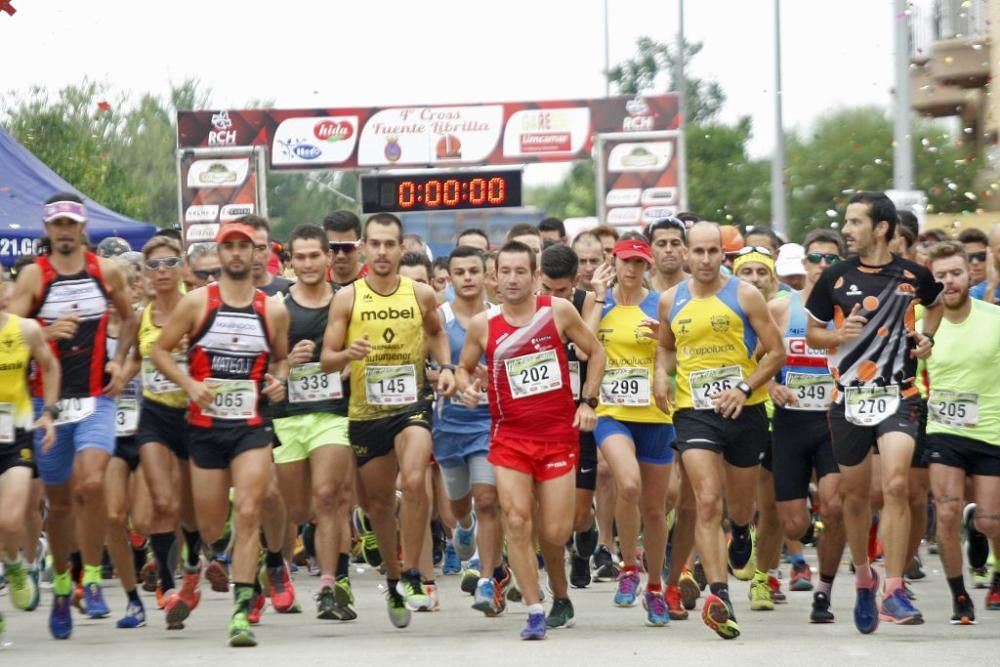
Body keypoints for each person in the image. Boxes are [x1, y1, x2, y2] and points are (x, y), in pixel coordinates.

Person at [805, 191, 942, 633]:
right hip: (850, 398)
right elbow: (812, 335)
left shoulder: (913, 275)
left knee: (898, 484)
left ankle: (895, 587)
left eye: (855, 222)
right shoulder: (835, 278)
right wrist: (837, 334)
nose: (846, 230)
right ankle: (865, 577)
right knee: (854, 497)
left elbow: (935, 305)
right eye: (846, 222)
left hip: (899, 394)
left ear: (881, 228)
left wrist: (926, 338)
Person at [150, 221, 289, 647]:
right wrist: (190, 384)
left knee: (249, 509)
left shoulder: (273, 309)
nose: (234, 253)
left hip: (251, 425)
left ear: (256, 255)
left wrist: (279, 381)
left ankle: (241, 612)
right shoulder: (197, 303)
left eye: (242, 246)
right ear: (218, 254)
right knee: (211, 526)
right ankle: (225, 557)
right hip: (206, 427)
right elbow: (158, 350)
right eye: (227, 246)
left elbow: (281, 360)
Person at [457, 240, 605, 640]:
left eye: (521, 271)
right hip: (510, 439)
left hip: (558, 437)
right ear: (494, 277)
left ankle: (558, 591)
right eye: (505, 271)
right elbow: (464, 368)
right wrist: (466, 387)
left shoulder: (556, 312)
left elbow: (597, 353)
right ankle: (534, 608)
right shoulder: (482, 325)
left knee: (555, 531)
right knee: (518, 520)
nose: (512, 279)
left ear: (535, 276)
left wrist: (588, 401)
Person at [9, 193, 138, 639]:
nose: (65, 231)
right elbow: (8, 335)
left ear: (83, 229)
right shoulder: (33, 276)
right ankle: (63, 584)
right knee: (60, 503)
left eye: (71, 223)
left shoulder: (108, 271)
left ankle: (94, 577)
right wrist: (44, 332)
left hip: (97, 398)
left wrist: (121, 361)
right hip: (48, 404)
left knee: (92, 482)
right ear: (47, 230)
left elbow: (131, 320)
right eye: (57, 224)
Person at [321, 213, 456, 628]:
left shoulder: (420, 294)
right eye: (374, 244)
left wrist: (447, 366)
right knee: (379, 505)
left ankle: (415, 573)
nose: (381, 252)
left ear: (402, 249)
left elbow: (436, 333)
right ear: (364, 246)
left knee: (415, 480)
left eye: (389, 244)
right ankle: (396, 579)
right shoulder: (347, 298)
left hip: (411, 404)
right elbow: (327, 359)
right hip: (365, 413)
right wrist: (348, 355)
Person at [655, 221, 786, 640]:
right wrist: (660, 375)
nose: (706, 259)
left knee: (739, 506)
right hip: (695, 411)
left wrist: (745, 386)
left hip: (744, 410)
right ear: (688, 255)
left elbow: (777, 351)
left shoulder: (744, 295)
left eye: (714, 251)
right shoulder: (670, 300)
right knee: (707, 501)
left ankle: (743, 528)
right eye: (699, 251)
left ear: (723, 256)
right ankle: (719, 594)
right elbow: (665, 347)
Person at [271, 224, 357, 622]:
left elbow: (369, 349)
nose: (307, 263)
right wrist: (288, 363)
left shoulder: (347, 301)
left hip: (333, 414)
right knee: (296, 509)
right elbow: (262, 369)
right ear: (290, 261)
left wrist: (347, 363)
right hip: (288, 417)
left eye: (314, 255)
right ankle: (274, 564)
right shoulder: (276, 306)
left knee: (327, 497)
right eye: (299, 256)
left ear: (328, 258)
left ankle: (330, 583)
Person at [592, 238, 675, 626]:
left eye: (640, 264)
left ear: (648, 267)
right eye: (626, 262)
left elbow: (676, 350)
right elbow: (582, 348)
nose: (632, 269)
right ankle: (627, 566)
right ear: (615, 261)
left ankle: (654, 587)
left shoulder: (660, 302)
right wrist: (595, 298)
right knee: (627, 485)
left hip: (655, 415)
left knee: (656, 510)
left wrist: (664, 342)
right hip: (612, 412)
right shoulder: (600, 301)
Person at [767, 230, 848, 623]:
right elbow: (754, 352)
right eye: (816, 258)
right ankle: (809, 516)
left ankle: (824, 590)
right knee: (794, 524)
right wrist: (769, 385)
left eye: (832, 260)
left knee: (836, 507)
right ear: (804, 263)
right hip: (791, 421)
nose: (822, 266)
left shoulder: (850, 307)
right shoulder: (781, 308)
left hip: (835, 420)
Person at [130, 235, 207, 628]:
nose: (161, 271)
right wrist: (112, 382)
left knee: (191, 509)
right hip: (155, 416)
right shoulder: (139, 315)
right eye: (154, 265)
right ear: (144, 273)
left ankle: (193, 563)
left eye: (169, 263)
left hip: (193, 416)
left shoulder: (198, 308)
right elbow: (129, 360)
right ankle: (166, 583)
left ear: (182, 268)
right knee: (162, 502)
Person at [923, 240, 1000, 624]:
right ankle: (960, 595)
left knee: (990, 521)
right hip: (943, 429)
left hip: (990, 429)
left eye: (955, 273)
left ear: (970, 274)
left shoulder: (994, 318)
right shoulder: (921, 320)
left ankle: (997, 572)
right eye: (941, 276)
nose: (949, 282)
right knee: (947, 512)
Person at [432, 245, 508, 617]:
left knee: (489, 499)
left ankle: (487, 579)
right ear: (449, 276)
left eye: (473, 271)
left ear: (486, 275)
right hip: (449, 425)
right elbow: (424, 368)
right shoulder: (438, 317)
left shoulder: (500, 317)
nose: (466, 278)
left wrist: (487, 384)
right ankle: (464, 527)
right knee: (461, 505)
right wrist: (448, 376)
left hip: (489, 423)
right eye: (459, 272)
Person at [537, 244, 601, 609]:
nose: (553, 298)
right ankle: (554, 585)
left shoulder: (586, 301)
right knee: (548, 515)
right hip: (542, 418)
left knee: (577, 515)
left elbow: (585, 351)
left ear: (574, 283)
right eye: (546, 289)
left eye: (561, 292)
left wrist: (588, 402)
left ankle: (585, 535)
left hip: (577, 415)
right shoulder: (528, 305)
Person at [0, 270, 59, 640]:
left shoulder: (24, 330)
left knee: (9, 521)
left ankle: (13, 564)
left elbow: (50, 367)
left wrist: (49, 413)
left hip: (14, 434)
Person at [242, 215, 293, 297]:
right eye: (248, 248)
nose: (255, 256)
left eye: (261, 248)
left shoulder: (290, 291)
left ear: (269, 250)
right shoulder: (220, 295)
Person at [324, 210, 368, 287]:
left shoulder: (375, 280)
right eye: (334, 247)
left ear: (360, 247)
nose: (340, 255)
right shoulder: (318, 281)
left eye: (347, 247)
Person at [645, 218, 688, 293]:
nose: (668, 250)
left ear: (685, 249)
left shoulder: (700, 286)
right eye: (661, 244)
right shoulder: (641, 291)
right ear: (650, 251)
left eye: (675, 244)